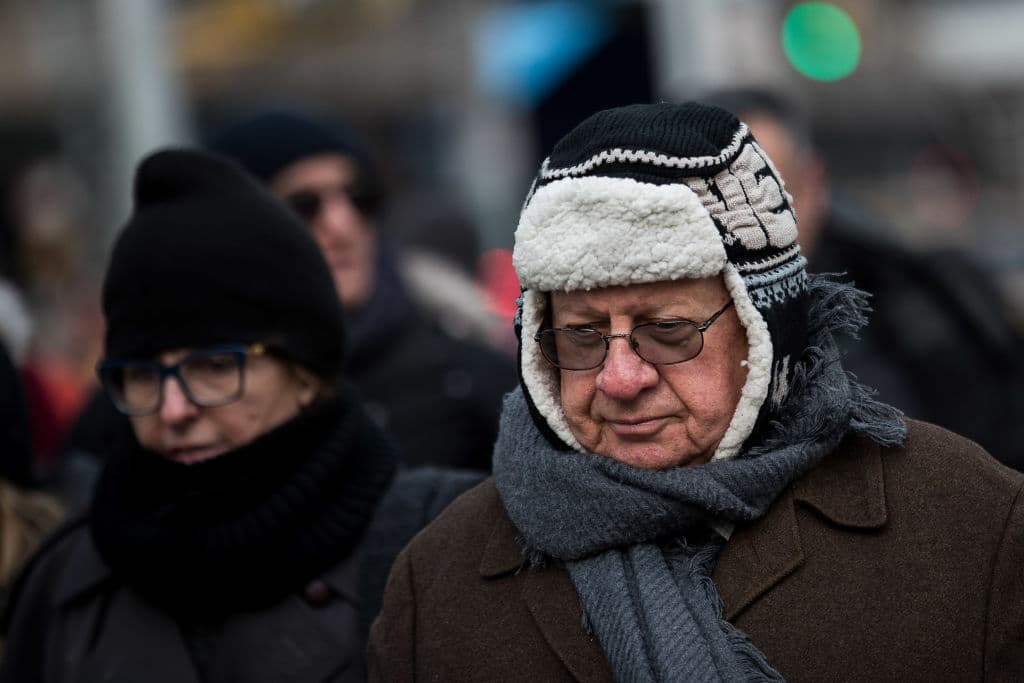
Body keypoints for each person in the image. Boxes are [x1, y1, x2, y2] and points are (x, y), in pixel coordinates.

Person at [367, 102, 1024, 680]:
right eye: (580, 335)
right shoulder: (438, 583)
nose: (620, 378)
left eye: (670, 330)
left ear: (766, 330)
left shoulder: (971, 528)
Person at [0, 148, 482, 681]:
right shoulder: (64, 588)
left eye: (211, 367)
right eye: (141, 374)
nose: (174, 408)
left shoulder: (444, 548)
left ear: (305, 375)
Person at [701, 87, 1024, 470]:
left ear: (814, 183)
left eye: (767, 200)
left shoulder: (926, 301)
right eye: (714, 208)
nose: (744, 234)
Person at [207, 111, 516, 471]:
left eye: (359, 198)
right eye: (303, 206)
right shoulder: (184, 395)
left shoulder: (469, 372)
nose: (341, 225)